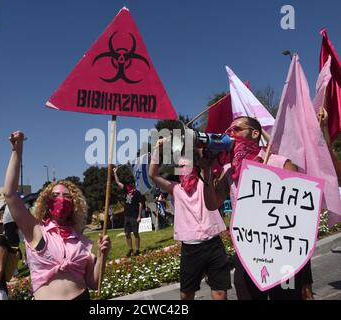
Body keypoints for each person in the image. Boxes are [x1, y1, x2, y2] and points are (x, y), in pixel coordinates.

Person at [201, 116, 314, 300]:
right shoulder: (229, 170)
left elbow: (300, 214)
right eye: (229, 131)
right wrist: (206, 170)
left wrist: (305, 275)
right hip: (246, 253)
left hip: (280, 253)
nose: (231, 134)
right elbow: (212, 204)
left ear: (255, 134)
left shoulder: (279, 163)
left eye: (237, 129)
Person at [4, 130, 111, 300]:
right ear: (46, 202)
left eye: (67, 196)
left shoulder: (80, 240)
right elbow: (10, 194)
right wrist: (17, 151)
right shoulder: (35, 229)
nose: (61, 199)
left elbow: (93, 282)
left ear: (74, 204)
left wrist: (103, 257)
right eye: (55, 196)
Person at [149, 139, 231, 300]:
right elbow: (153, 174)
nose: (183, 169)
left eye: (187, 165)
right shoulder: (175, 189)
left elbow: (210, 161)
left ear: (195, 167)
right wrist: (157, 151)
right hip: (191, 248)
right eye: (179, 167)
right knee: (186, 294)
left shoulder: (205, 182)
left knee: (220, 291)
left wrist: (197, 145)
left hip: (213, 243)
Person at [113, 167, 142, 257]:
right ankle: (130, 249)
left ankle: (137, 250)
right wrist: (115, 172)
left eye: (129, 184)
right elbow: (118, 182)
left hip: (134, 216)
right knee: (127, 234)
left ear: (132, 184)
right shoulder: (125, 189)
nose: (128, 185)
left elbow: (140, 204)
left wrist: (139, 216)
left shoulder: (137, 193)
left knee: (136, 233)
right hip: (127, 216)